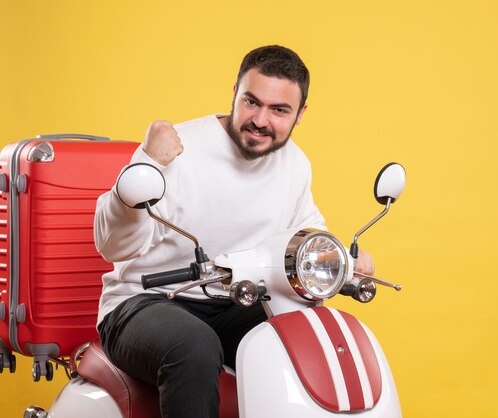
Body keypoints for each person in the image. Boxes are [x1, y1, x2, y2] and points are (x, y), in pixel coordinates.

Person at [94, 45, 374, 418]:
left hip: (235, 302)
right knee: (194, 345)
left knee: (308, 331)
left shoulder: (294, 164)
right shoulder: (177, 149)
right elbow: (113, 246)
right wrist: (147, 163)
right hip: (146, 302)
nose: (260, 120)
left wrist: (343, 259)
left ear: (300, 114)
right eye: (251, 102)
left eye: (279, 110)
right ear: (234, 92)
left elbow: (307, 232)